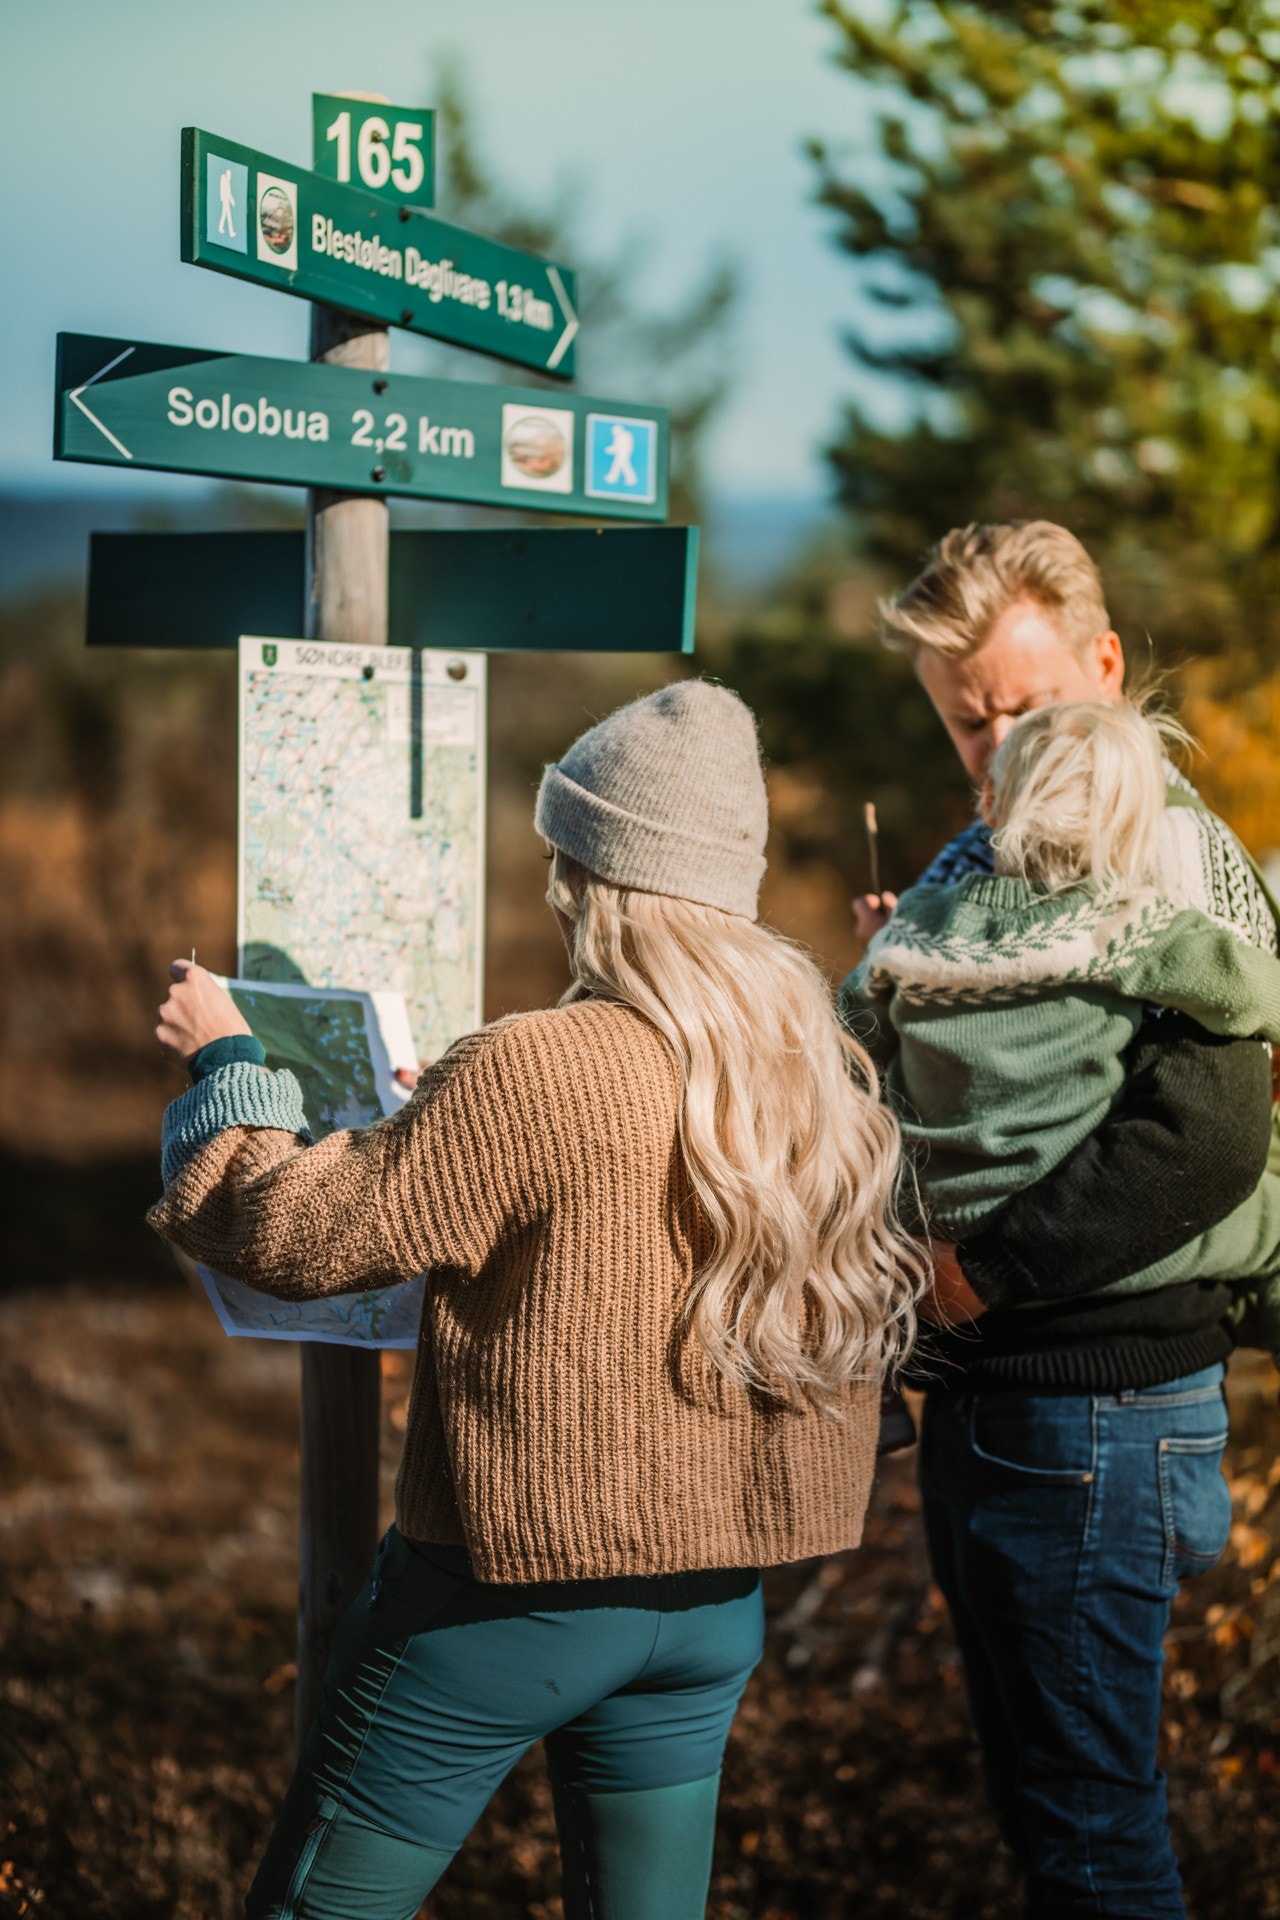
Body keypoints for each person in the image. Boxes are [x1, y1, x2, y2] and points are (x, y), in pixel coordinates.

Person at [148, 680, 926, 1920]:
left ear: (592, 876)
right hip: (716, 1602)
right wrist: (445, 1116)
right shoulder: (810, 1057)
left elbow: (288, 1232)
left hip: (499, 1603)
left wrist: (227, 1061)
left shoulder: (533, 1067)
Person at [854, 521, 1278, 1918]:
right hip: (1000, 1398)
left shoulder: (1161, 850)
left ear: (1105, 665)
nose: (1000, 748)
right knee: (1053, 1811)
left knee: (1092, 1838)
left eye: (1027, 710)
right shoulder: (981, 857)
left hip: (1093, 1395)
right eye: (969, 726)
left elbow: (1207, 1135)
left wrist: (980, 1274)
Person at [846, 696, 1280, 1346]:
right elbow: (1242, 982)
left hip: (930, 1221)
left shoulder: (915, 924)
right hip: (1054, 1219)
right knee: (1266, 1225)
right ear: (1140, 828)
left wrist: (880, 945)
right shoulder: (1126, 925)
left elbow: (845, 1039)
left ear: (989, 802)